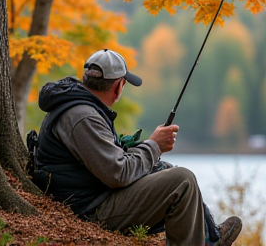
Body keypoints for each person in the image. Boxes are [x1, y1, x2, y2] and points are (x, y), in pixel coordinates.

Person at [33, 49, 242, 246]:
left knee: (165, 169)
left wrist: (147, 152)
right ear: (118, 87)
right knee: (182, 180)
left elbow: (108, 163)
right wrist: (154, 145)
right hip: (90, 209)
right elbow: (117, 173)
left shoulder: (79, 108)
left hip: (92, 197)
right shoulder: (83, 117)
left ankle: (207, 236)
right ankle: (206, 240)